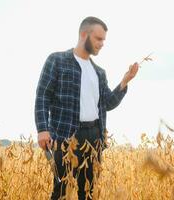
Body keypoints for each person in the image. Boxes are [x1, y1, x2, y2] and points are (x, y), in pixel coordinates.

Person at [34, 16, 139, 200]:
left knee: (89, 193)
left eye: (104, 40)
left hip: (94, 138)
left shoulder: (99, 72)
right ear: (84, 34)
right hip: (65, 136)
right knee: (61, 193)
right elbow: (43, 95)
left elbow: (108, 103)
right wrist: (42, 129)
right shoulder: (57, 60)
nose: (102, 43)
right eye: (99, 38)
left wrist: (125, 81)